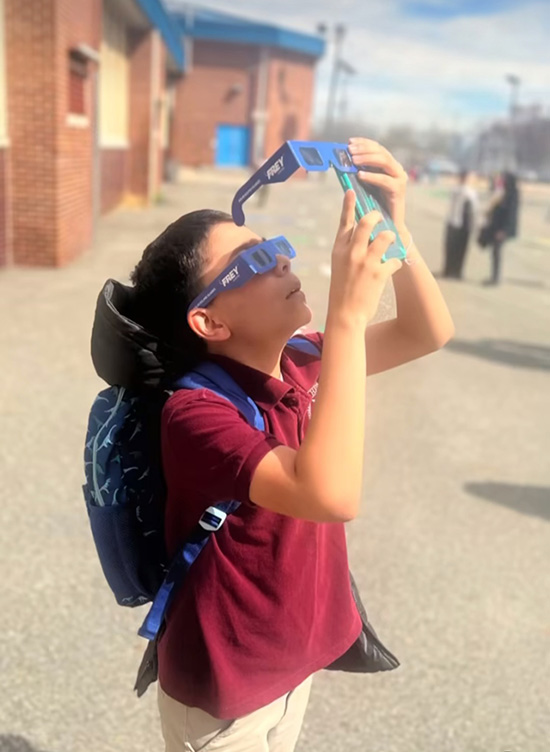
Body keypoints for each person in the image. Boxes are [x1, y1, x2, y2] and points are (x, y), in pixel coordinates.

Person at [128, 137, 455, 752]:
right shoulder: (195, 413)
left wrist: (394, 226)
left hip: (291, 664)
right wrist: (350, 319)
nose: (280, 262)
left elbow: (425, 330)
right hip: (224, 694)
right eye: (251, 264)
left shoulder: (300, 359)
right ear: (210, 322)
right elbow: (327, 494)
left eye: (274, 248)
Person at [482, 171, 520, 286]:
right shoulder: (502, 192)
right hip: (496, 227)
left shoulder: (512, 195)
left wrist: (504, 230)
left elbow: (511, 214)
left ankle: (495, 278)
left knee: (497, 252)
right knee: (494, 252)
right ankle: (494, 276)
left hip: (502, 229)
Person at [441, 170, 477, 280]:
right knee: (459, 249)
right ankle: (455, 271)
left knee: (451, 248)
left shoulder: (456, 190)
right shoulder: (468, 192)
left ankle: (449, 270)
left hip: (454, 222)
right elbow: (474, 210)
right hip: (461, 223)